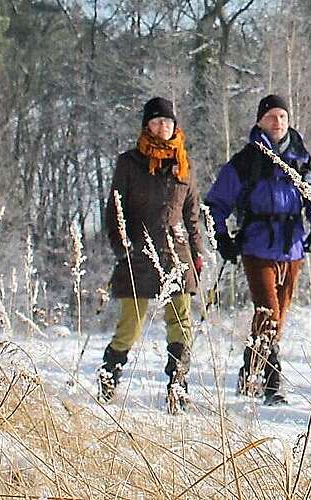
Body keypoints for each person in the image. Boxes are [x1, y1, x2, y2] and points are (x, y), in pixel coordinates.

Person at [205, 94, 311, 405]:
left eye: (282, 117)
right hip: (256, 245)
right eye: (271, 117)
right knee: (269, 314)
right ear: (260, 121)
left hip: (292, 248)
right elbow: (215, 205)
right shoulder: (245, 162)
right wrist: (222, 238)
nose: (278, 123)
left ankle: (249, 369)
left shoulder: (305, 161)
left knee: (278, 319)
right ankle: (273, 384)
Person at [97, 96, 205, 413]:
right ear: (147, 126)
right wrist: (122, 248)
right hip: (138, 254)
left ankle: (177, 385)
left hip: (176, 253)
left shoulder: (184, 165)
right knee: (131, 324)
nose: (163, 127)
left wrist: (197, 255)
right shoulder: (129, 163)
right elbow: (114, 211)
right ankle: (109, 374)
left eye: (168, 122)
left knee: (181, 323)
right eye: (157, 122)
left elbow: (192, 215)